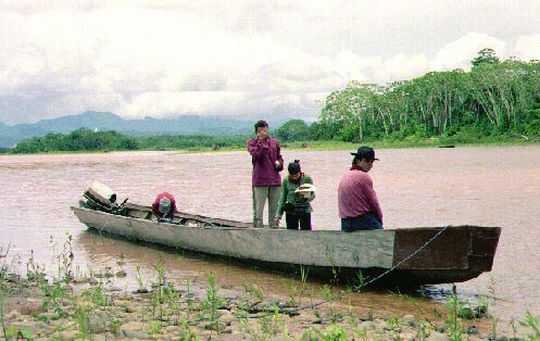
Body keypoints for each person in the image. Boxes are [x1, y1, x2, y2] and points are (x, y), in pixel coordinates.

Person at [247, 120, 284, 227]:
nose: (264, 132)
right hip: (260, 181)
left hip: (275, 180)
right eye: (261, 130)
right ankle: (258, 230)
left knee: (275, 209)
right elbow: (255, 155)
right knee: (258, 209)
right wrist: (261, 141)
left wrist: (279, 164)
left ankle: (274, 228)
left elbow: (279, 158)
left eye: (265, 130)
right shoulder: (251, 143)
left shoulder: (274, 143)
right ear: (257, 132)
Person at [338, 146, 383, 231]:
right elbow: (374, 203)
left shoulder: (346, 175)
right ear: (358, 161)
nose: (370, 165)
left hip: (345, 222)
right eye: (366, 161)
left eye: (371, 162)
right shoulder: (363, 176)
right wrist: (379, 220)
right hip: (361, 219)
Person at [275, 160, 315, 230]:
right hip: (291, 211)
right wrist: (278, 215)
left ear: (300, 172)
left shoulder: (307, 179)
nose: (294, 178)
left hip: (304, 210)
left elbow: (313, 195)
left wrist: (306, 198)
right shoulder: (285, 180)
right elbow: (282, 198)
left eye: (296, 175)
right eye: (292, 176)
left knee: (307, 234)